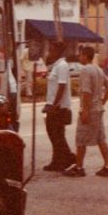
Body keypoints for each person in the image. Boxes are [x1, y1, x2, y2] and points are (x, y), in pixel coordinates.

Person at [64, 45, 108, 177]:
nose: (79, 57)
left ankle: (79, 167)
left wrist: (85, 111)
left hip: (90, 109)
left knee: (80, 138)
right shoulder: (98, 70)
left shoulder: (86, 70)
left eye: (80, 55)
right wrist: (102, 102)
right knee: (101, 138)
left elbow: (86, 91)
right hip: (98, 109)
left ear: (85, 56)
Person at [42, 40, 74, 171]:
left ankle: (67, 159)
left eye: (51, 50)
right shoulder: (56, 66)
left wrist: (54, 105)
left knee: (57, 136)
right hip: (53, 106)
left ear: (57, 51)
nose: (49, 52)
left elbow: (62, 86)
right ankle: (59, 160)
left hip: (58, 108)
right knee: (55, 135)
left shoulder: (62, 66)